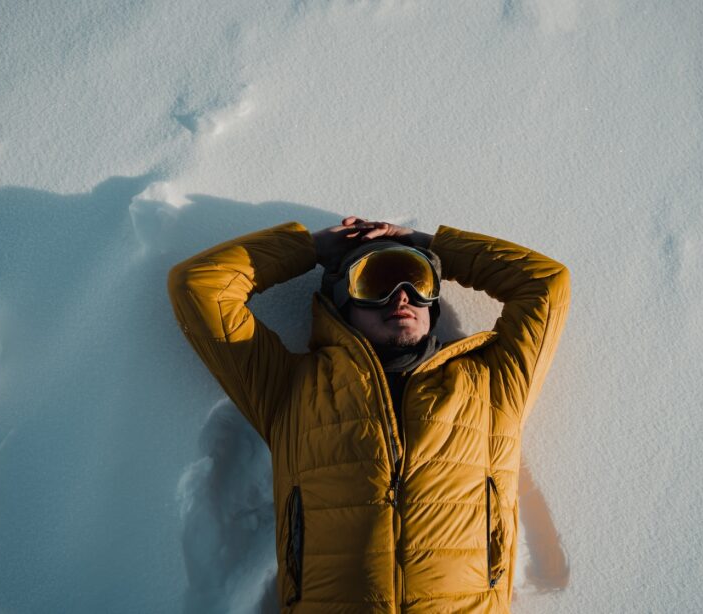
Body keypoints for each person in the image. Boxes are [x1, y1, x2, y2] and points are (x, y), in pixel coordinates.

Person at [167, 216, 570, 613]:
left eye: (418, 281)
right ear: (342, 300)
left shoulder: (493, 383)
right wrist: (310, 248)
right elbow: (199, 287)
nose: (401, 297)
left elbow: (546, 284)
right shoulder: (290, 388)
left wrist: (430, 245)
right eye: (375, 283)